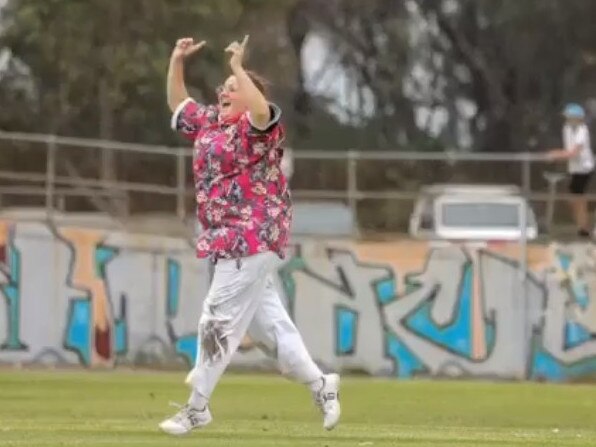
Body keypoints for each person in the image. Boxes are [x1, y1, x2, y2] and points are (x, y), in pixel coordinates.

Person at [159, 36, 340, 435]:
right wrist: (176, 61)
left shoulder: (259, 129)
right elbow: (179, 105)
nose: (224, 90)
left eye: (232, 87)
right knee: (272, 334)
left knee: (217, 318)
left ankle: (197, 407)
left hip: (254, 234)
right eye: (223, 86)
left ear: (249, 94)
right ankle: (321, 385)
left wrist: (240, 68)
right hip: (226, 238)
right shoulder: (210, 123)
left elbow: (261, 111)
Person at [548, 103, 595, 238]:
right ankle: (582, 226)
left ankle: (584, 227)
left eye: (570, 117)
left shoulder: (582, 130)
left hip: (584, 168)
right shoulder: (567, 128)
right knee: (575, 199)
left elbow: (574, 152)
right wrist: (559, 154)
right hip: (575, 168)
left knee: (578, 198)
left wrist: (556, 154)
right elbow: (568, 149)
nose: (567, 119)